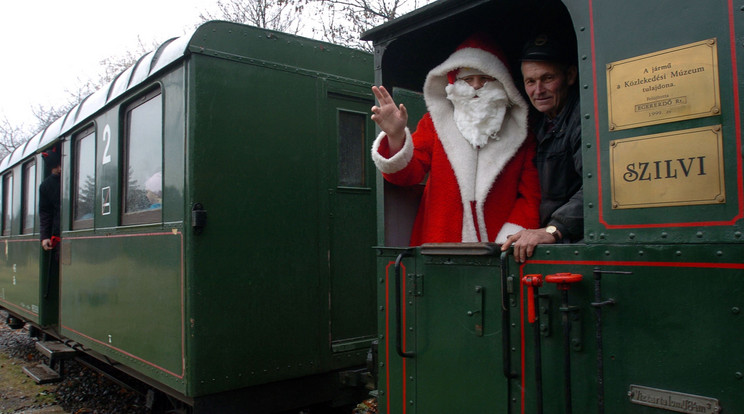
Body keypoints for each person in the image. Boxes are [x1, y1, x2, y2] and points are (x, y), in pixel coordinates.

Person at [371, 33, 541, 245]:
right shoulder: (434, 123)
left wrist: (510, 238)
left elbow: (530, 196)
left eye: (485, 79)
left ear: (502, 81)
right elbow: (406, 176)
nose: (476, 86)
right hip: (440, 245)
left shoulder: (522, 133)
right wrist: (395, 137)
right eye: (467, 80)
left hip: (500, 250)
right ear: (454, 82)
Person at [501, 33, 583, 262]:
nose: (538, 90)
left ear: (570, 76)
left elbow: (597, 188)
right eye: (530, 81)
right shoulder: (532, 123)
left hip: (573, 240)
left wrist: (553, 230)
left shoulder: (583, 119)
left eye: (547, 78)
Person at [39, 150, 61, 251]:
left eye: (60, 165)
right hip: (58, 231)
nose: (59, 169)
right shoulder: (46, 186)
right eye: (56, 167)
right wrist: (45, 236)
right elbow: (45, 213)